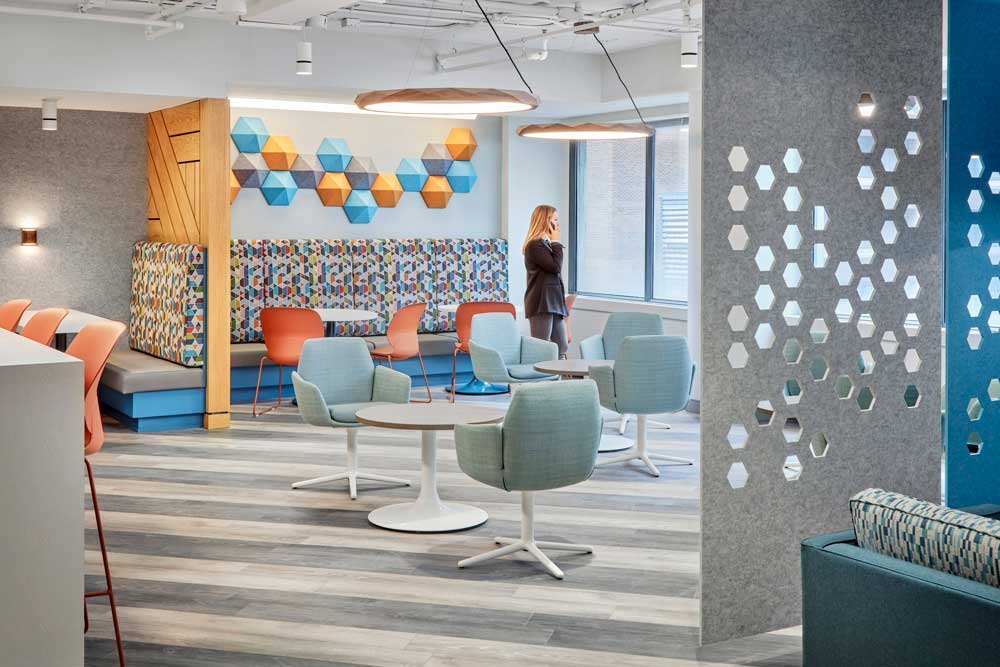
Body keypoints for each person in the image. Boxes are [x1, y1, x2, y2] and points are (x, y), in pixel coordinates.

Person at [523, 204, 569, 358]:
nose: (558, 224)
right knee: (541, 347)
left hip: (554, 301)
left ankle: (559, 381)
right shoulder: (535, 245)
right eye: (555, 220)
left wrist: (554, 243)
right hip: (541, 303)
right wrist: (557, 242)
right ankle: (540, 381)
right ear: (546, 221)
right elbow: (555, 267)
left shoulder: (546, 244)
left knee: (561, 346)